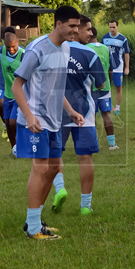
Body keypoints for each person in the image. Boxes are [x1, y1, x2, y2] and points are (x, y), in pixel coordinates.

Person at [13, 5, 84, 240]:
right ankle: (33, 228)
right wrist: (29, 116)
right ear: (58, 24)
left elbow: (55, 87)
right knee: (41, 168)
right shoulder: (36, 50)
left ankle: (34, 221)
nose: (76, 30)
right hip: (35, 120)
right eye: (72, 26)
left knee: (54, 169)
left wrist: (71, 111)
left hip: (54, 121)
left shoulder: (66, 48)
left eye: (78, 26)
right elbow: (17, 86)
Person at [51, 15, 107, 216]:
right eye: (88, 29)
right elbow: (101, 84)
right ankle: (85, 206)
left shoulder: (53, 50)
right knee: (85, 158)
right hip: (84, 114)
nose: (91, 33)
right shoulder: (89, 53)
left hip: (55, 113)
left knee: (54, 155)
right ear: (77, 29)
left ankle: (60, 189)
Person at [86, 26, 118, 150]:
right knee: (106, 115)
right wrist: (108, 82)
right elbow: (111, 69)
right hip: (105, 88)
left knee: (91, 117)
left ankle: (93, 144)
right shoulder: (105, 48)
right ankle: (112, 143)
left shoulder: (86, 48)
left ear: (89, 35)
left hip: (90, 88)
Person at [102, 20, 130, 116]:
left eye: (113, 27)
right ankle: (106, 106)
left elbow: (126, 53)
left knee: (118, 87)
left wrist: (127, 67)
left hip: (118, 67)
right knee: (106, 87)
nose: (112, 29)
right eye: (110, 27)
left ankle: (117, 108)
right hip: (107, 67)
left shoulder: (123, 39)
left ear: (117, 26)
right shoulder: (104, 38)